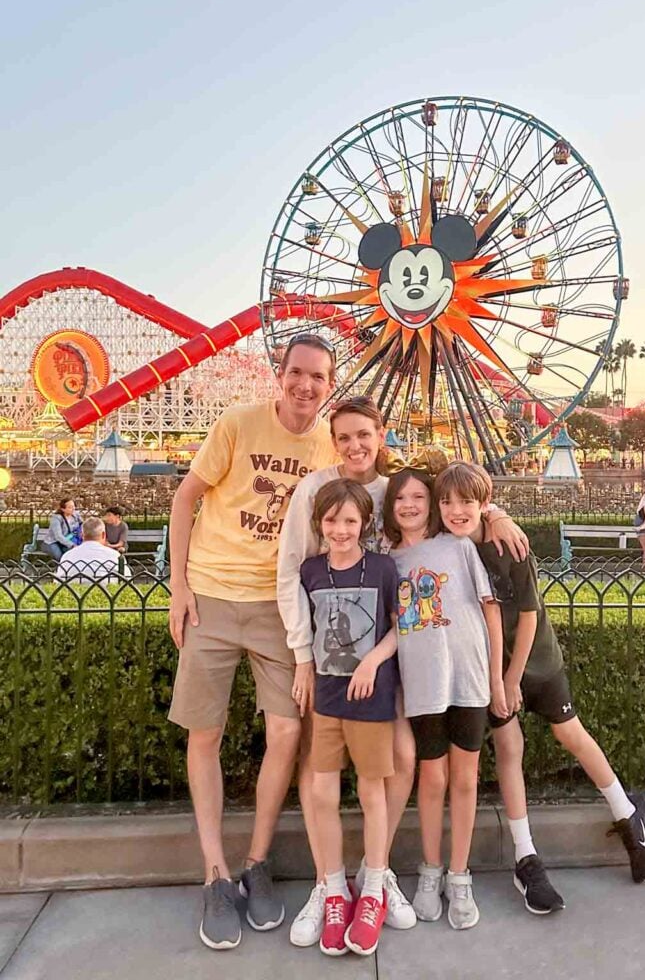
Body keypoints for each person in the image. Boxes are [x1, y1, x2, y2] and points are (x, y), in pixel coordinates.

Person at [277, 397, 529, 945]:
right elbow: (292, 576)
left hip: (396, 669)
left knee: (402, 764)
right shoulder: (317, 494)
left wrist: (494, 511)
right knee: (326, 772)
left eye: (364, 435)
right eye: (344, 436)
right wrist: (301, 654)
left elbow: (459, 496)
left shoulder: (409, 514)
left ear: (380, 434)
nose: (355, 445)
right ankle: (334, 884)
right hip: (334, 667)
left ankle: (378, 875)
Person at [167, 333, 337, 951]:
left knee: (287, 732)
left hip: (279, 606)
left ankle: (256, 862)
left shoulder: (329, 444)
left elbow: (399, 496)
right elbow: (185, 499)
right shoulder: (237, 424)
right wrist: (178, 587)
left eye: (317, 377)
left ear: (330, 384)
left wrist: (493, 514)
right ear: (281, 375)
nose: (305, 385)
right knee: (204, 732)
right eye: (296, 373)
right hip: (212, 594)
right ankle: (215, 873)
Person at [435, 461, 645, 911]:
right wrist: (499, 681)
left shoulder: (509, 545)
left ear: (483, 504)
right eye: (448, 502)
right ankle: (525, 854)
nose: (456, 510)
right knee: (509, 747)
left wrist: (512, 677)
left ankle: (629, 811)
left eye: (467, 502)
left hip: (534, 660)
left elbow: (529, 613)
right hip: (488, 669)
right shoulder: (449, 548)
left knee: (569, 733)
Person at [383, 468, 508, 931]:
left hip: (469, 680)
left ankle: (460, 875)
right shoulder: (387, 562)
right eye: (402, 498)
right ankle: (429, 870)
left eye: (420, 496)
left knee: (466, 779)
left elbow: (491, 614)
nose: (411, 505)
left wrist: (495, 681)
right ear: (391, 506)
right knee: (431, 778)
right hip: (422, 684)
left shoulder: (459, 548)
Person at [301, 478, 399, 956]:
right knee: (323, 788)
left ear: (365, 524)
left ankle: (374, 886)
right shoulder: (310, 570)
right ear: (320, 523)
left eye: (350, 521)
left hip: (370, 696)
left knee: (371, 789)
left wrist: (371, 662)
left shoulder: (382, 569)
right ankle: (335, 887)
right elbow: (303, 627)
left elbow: (403, 627)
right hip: (327, 695)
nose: (341, 530)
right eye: (332, 520)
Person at [56, 516, 122, 582]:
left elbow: (58, 582)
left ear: (81, 535)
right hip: (110, 590)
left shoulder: (67, 556)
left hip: (73, 590)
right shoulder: (115, 556)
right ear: (103, 535)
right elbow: (127, 580)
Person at [45, 497, 82, 562]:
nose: (73, 509)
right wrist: (72, 545)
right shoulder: (56, 518)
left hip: (70, 539)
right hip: (53, 542)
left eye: (74, 506)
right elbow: (58, 536)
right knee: (59, 556)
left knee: (74, 554)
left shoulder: (76, 515)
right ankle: (59, 570)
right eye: (70, 507)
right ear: (63, 509)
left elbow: (83, 525)